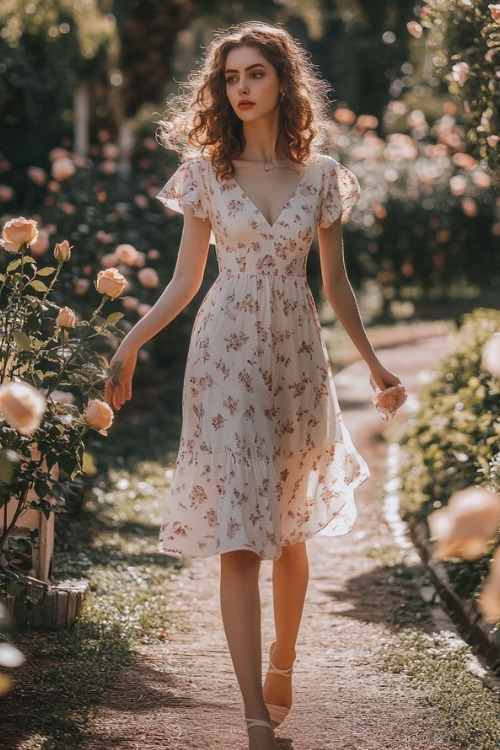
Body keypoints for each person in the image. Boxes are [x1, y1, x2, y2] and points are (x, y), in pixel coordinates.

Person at [105, 21, 404, 750]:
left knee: (290, 528)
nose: (241, 88)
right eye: (231, 76)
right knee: (241, 536)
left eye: (255, 74)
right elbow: (184, 280)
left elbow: (335, 284)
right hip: (225, 357)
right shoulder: (208, 171)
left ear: (282, 82)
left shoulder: (323, 174)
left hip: (296, 359)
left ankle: (284, 659)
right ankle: (251, 719)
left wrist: (374, 363)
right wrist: (129, 343)